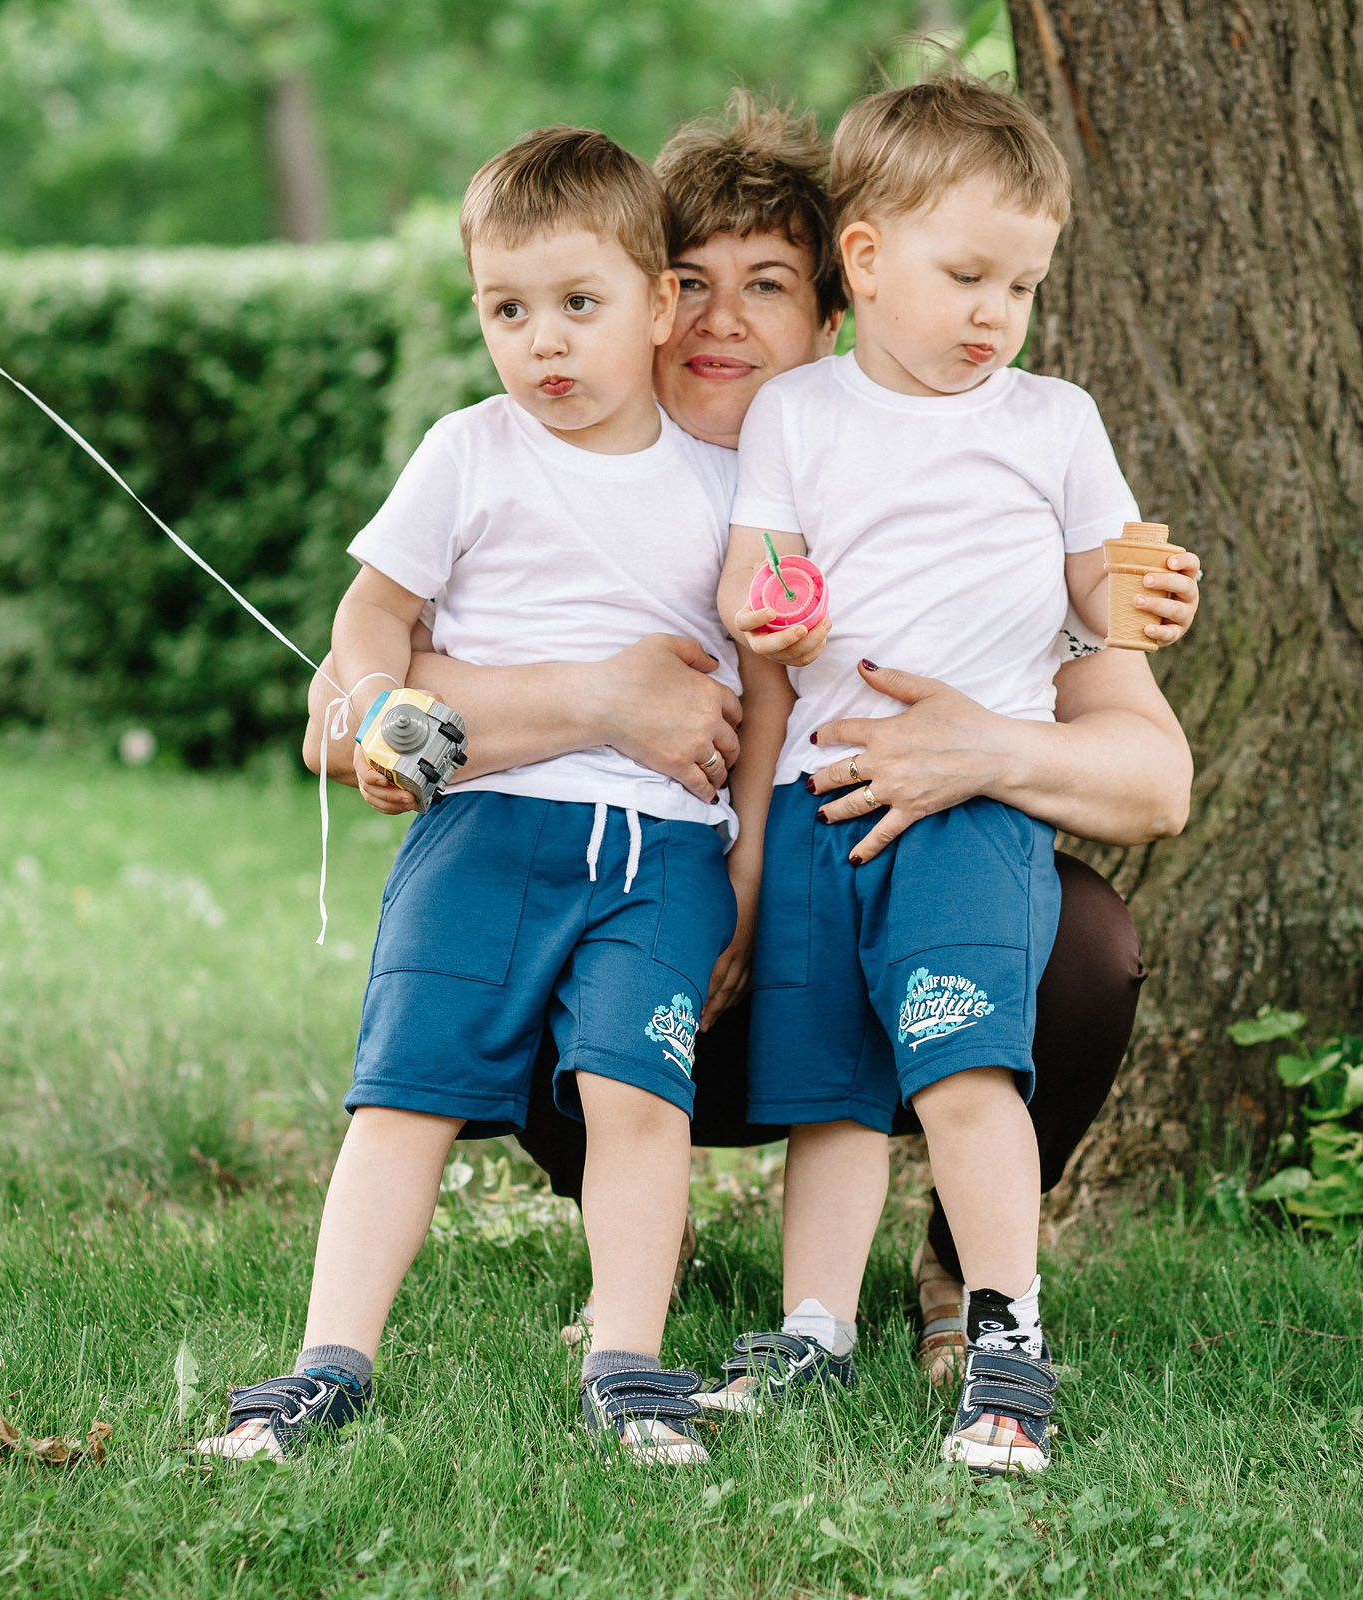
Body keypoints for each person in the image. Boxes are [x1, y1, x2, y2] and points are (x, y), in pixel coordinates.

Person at [301, 89, 1197, 1384]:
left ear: (834, 310)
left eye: (765, 284)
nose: (722, 319)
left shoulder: (926, 482)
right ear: (646, 300)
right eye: (689, 279)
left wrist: (983, 750)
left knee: (1088, 944)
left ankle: (965, 1263)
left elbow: (1155, 778)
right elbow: (345, 710)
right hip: (647, 908)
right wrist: (605, 699)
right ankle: (636, 1254)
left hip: (870, 885)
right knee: (574, 919)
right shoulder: (562, 470)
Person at [197, 125, 739, 1467]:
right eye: (509, 309)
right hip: (483, 827)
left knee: (635, 1095)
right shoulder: (470, 452)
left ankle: (628, 1362)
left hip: (658, 850)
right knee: (406, 1096)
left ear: (659, 306)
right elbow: (373, 614)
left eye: (578, 304)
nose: (544, 343)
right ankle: (329, 1362)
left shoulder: (726, 486)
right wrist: (379, 706)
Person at [701, 71, 1200, 1476]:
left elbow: (1102, 585)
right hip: (819, 799)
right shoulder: (799, 412)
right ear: (864, 257)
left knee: (965, 1055)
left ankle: (1004, 1332)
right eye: (968, 274)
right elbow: (759, 561)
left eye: (1023, 285)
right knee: (829, 1083)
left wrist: (1137, 603)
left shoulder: (1049, 421)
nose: (997, 312)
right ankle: (814, 1328)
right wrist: (769, 608)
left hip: (973, 806)